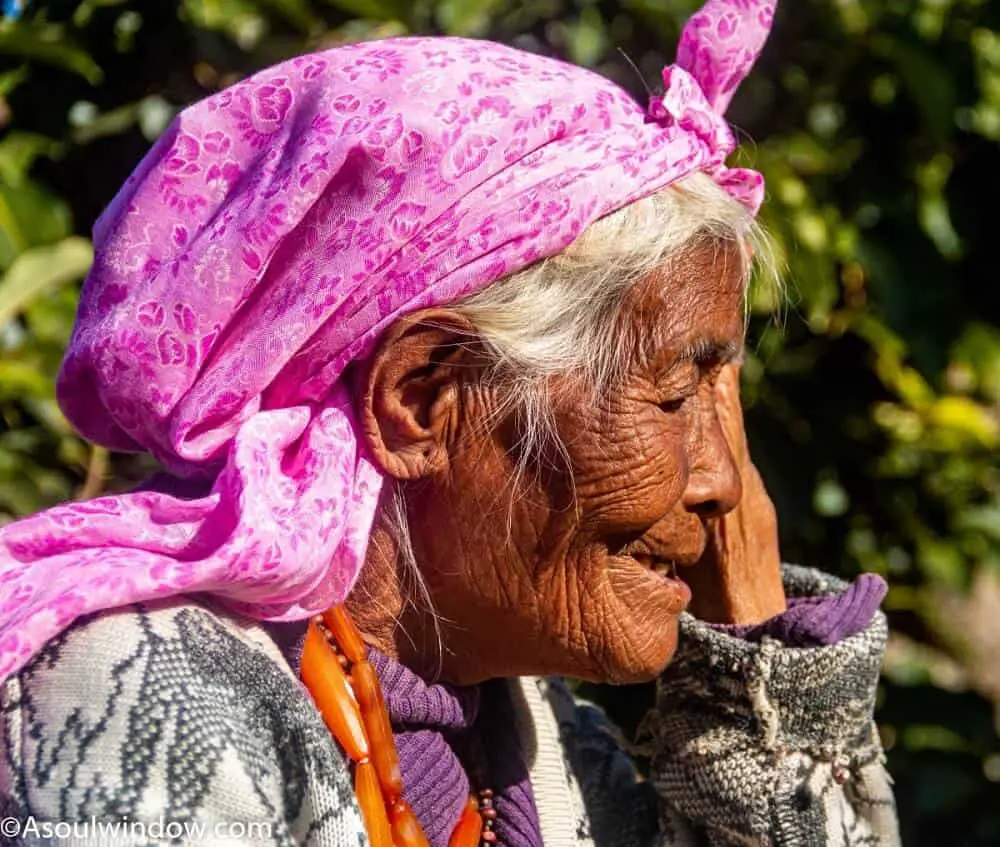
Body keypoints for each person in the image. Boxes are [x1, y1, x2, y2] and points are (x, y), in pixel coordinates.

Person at [0, 1, 901, 844]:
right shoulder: (145, 701)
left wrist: (759, 658)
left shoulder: (538, 734)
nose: (723, 482)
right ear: (424, 398)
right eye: (673, 394)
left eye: (720, 396)